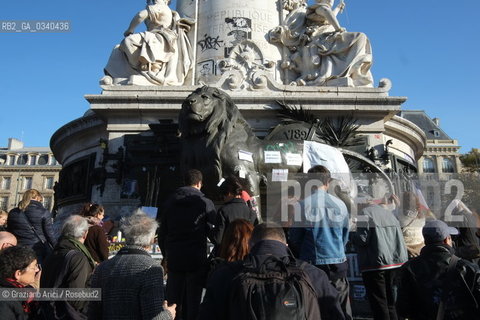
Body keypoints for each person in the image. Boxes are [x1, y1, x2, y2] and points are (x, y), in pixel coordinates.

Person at [199, 223, 345, 320]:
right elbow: (335, 315)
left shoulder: (225, 274)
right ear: (286, 244)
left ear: (250, 245)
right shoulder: (313, 274)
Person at [289, 165, 352, 320]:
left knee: (315, 306)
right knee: (342, 304)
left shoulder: (302, 206)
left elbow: (295, 238)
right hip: (337, 262)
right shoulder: (341, 205)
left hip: (311, 263)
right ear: (328, 182)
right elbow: (345, 235)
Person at [88, 211, 176, 320]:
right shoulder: (152, 269)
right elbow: (154, 317)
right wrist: (169, 314)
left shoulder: (102, 268)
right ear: (152, 239)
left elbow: (93, 313)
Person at [158, 169, 216, 320]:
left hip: (175, 257)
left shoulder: (170, 201)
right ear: (199, 183)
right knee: (194, 301)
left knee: (173, 299)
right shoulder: (205, 203)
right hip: (196, 257)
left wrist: (166, 255)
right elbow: (213, 231)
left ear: (184, 182)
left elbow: (162, 232)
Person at [397, 219, 480, 319]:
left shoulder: (409, 269)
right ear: (447, 240)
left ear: (425, 241)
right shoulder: (468, 268)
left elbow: (402, 308)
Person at [104, 0, 194, 86]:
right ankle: (119, 73)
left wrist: (129, 30)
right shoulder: (159, 7)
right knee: (117, 48)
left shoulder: (160, 7)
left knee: (129, 41)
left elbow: (140, 15)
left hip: (159, 38)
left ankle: (145, 71)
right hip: (153, 37)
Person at [353, 195, 408, 320]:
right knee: (390, 302)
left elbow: (362, 239)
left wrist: (351, 233)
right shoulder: (387, 212)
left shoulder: (364, 213)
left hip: (375, 264)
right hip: (394, 263)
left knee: (379, 303)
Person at [41, 215, 95, 319]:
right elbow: (76, 300)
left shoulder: (53, 253)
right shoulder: (78, 257)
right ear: (85, 234)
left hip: (50, 313)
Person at [7, 189, 56, 264]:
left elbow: (10, 232)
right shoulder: (44, 212)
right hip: (37, 249)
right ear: (37, 198)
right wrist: (57, 247)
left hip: (18, 248)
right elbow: (49, 234)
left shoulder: (13, 213)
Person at [214, 176, 258, 246]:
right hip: (246, 252)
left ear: (228, 193)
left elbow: (218, 239)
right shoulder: (251, 212)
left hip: (228, 252)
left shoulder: (223, 211)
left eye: (223, 196)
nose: (223, 199)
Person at [0, 246, 40, 319]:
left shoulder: (27, 290)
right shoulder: (5, 303)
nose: (37, 270)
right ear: (18, 274)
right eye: (34, 267)